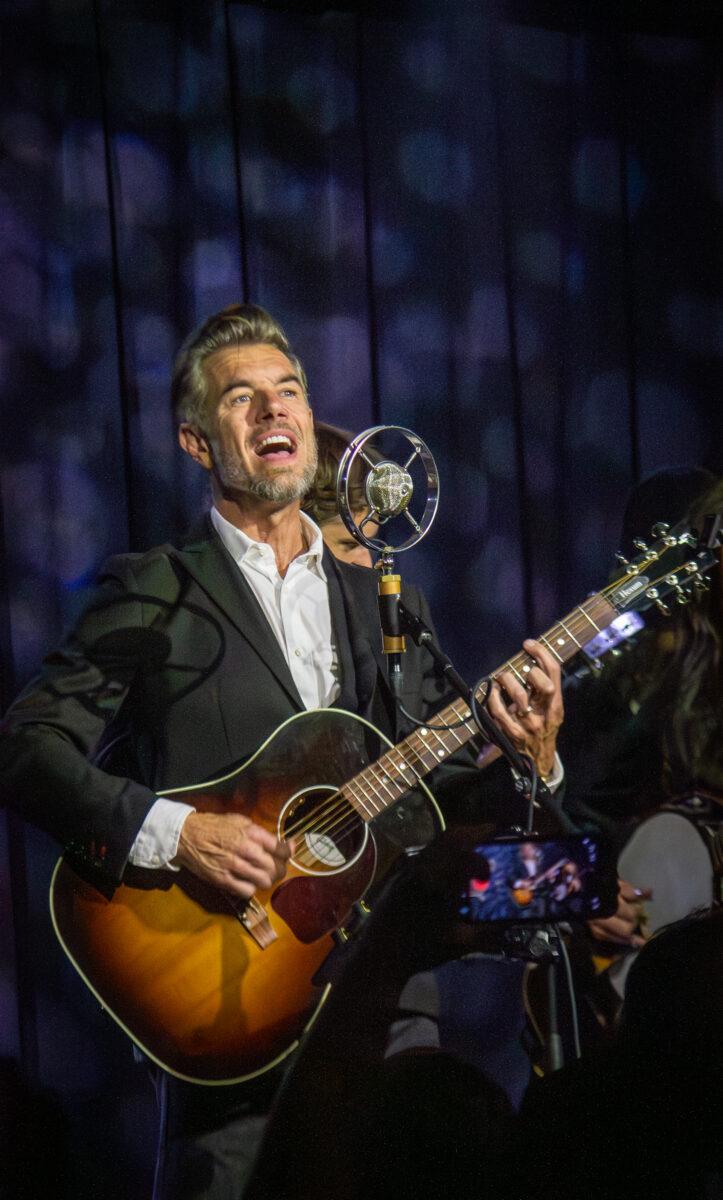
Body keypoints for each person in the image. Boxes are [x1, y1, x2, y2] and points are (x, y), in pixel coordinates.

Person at [0, 304, 565, 1199]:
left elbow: (441, 799)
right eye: (241, 397)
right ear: (196, 442)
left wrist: (534, 758)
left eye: (289, 390)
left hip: (386, 994)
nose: (273, 408)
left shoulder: (382, 597)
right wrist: (176, 832)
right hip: (228, 997)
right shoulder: (155, 588)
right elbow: (26, 748)